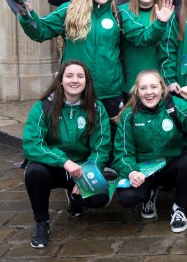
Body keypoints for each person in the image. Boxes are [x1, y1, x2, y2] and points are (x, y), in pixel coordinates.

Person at [18, 0, 173, 119]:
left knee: (112, 133)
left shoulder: (118, 14)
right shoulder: (69, 10)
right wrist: (27, 16)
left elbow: (144, 37)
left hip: (110, 92)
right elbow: (41, 31)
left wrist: (160, 22)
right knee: (78, 133)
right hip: (77, 90)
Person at [23, 61, 111, 248]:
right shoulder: (43, 107)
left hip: (81, 168)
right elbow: (32, 144)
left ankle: (75, 198)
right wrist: (63, 161)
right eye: (69, 76)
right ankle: (42, 223)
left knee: (99, 199)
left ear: (87, 81)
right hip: (52, 166)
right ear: (60, 80)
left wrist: (88, 174)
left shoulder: (96, 108)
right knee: (35, 172)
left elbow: (101, 147)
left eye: (80, 76)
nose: (74, 80)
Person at [113, 70, 187, 233]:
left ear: (162, 88)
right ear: (137, 91)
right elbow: (122, 153)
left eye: (153, 87)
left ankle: (178, 208)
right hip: (144, 171)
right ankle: (149, 194)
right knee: (127, 197)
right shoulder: (129, 115)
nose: (149, 92)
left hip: (172, 166)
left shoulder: (176, 106)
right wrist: (131, 172)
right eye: (143, 88)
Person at [119, 0, 177, 97]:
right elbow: (143, 38)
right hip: (131, 83)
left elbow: (169, 50)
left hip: (157, 84)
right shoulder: (123, 11)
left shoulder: (166, 12)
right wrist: (161, 22)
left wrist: (169, 79)